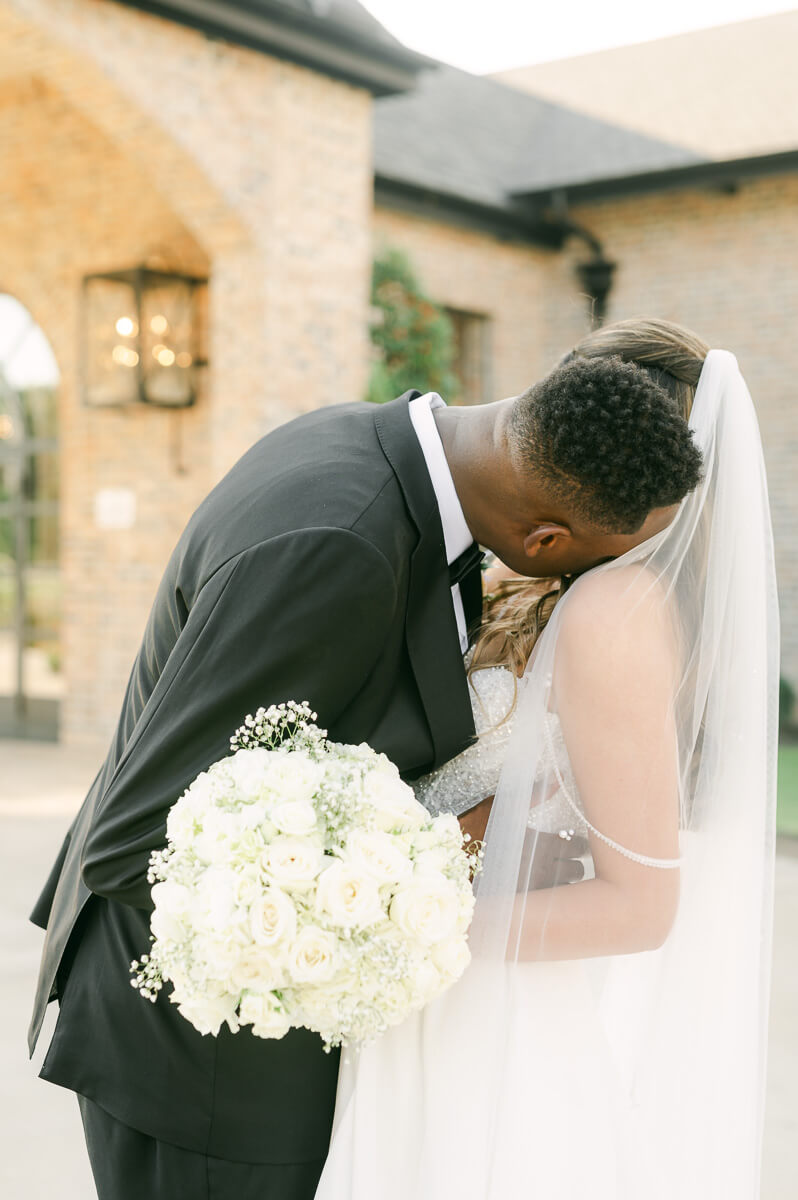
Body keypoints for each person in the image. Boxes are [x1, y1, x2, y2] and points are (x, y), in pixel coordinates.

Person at [29, 317, 705, 1200]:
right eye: (602, 564)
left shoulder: (373, 445)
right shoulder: (341, 540)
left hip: (303, 1055)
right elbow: (139, 839)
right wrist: (406, 902)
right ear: (546, 541)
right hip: (208, 1074)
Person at [314, 325, 779, 1199]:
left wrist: (404, 922)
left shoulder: (614, 611)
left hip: (486, 1018)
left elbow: (640, 907)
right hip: (447, 996)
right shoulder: (578, 587)